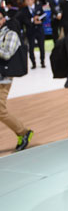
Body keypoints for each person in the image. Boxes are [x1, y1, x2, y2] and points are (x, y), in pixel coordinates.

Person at [0, 9, 33, 151]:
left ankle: (24, 132)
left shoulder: (11, 34)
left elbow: (7, 54)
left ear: (3, 19)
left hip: (3, 78)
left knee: (1, 111)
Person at [17, 0, 46, 69]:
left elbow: (44, 16)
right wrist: (32, 20)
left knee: (42, 46)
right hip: (30, 30)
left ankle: (42, 61)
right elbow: (23, 20)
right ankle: (33, 62)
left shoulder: (39, 7)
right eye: (26, 0)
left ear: (33, 0)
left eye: (29, 0)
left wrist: (40, 20)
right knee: (31, 47)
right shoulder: (24, 10)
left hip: (39, 30)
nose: (27, 2)